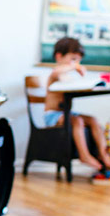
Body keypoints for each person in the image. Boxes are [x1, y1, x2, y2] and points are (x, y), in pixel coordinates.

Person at [44, 37, 110, 172]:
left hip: (68, 114)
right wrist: (74, 66)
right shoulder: (55, 73)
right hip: (52, 115)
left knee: (93, 120)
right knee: (77, 121)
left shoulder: (67, 76)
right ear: (59, 56)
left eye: (78, 60)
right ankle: (84, 155)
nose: (76, 63)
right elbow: (57, 72)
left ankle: (104, 154)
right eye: (73, 59)